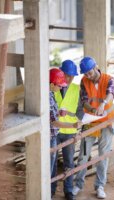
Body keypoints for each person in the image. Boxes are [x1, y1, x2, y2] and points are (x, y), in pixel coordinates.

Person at [73, 57, 114, 199]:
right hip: (90, 121)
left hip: (106, 122)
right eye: (85, 74)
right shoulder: (84, 81)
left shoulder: (109, 79)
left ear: (96, 67)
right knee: (83, 155)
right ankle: (78, 184)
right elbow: (84, 100)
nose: (88, 76)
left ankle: (100, 186)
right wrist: (91, 108)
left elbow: (111, 93)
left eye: (90, 72)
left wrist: (103, 104)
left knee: (103, 155)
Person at [49, 68, 81, 199]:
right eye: (67, 76)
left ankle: (68, 191)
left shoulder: (75, 89)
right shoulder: (49, 93)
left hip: (68, 132)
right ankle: (50, 191)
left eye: (72, 76)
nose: (68, 80)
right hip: (55, 132)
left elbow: (80, 109)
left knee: (68, 162)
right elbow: (53, 122)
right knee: (52, 164)